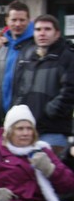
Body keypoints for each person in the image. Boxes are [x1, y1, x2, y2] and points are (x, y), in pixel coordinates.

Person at [12, 14, 74, 154]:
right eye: (38, 29)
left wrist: (50, 111)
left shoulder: (67, 57)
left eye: (47, 29)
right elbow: (20, 90)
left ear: (57, 33)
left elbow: (69, 91)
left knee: (52, 173)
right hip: (29, 130)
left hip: (53, 130)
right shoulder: (28, 57)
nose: (42, 33)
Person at [0, 0, 34, 138]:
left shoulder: (35, 48)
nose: (18, 24)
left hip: (26, 124)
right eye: (14, 20)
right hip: (3, 121)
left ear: (28, 20)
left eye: (22, 20)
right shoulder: (3, 50)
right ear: (7, 20)